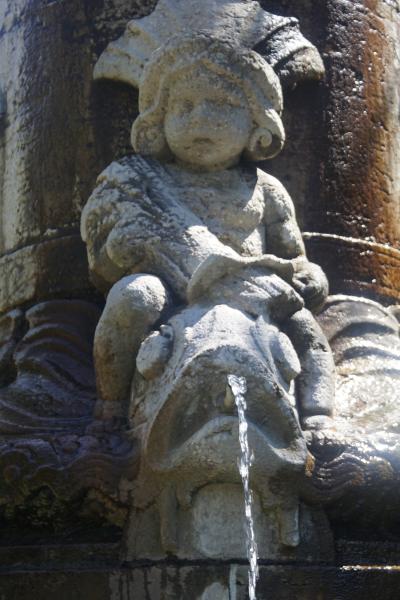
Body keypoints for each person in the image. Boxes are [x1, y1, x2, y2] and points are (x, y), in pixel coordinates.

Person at [81, 34, 334, 430]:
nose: (200, 118)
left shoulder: (265, 190)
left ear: (258, 126)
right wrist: (122, 250)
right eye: (184, 106)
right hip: (170, 292)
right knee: (134, 295)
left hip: (253, 294)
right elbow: (104, 261)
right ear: (159, 120)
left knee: (305, 327)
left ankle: (319, 414)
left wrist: (310, 278)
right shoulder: (137, 179)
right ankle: (110, 406)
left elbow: (294, 257)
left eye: (223, 106)